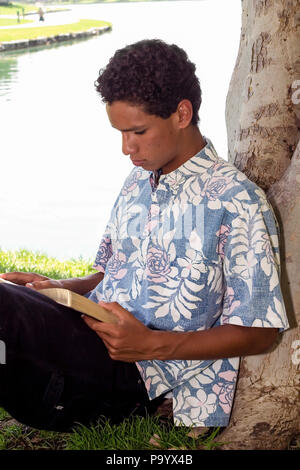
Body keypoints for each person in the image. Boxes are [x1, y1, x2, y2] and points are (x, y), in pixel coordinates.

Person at [0, 39, 289, 432]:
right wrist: (57, 287)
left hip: (135, 380)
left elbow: (260, 332)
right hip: (85, 337)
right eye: (120, 133)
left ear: (181, 113)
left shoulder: (238, 202)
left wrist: (153, 345)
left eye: (137, 131)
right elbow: (109, 272)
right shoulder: (139, 180)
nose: (126, 148)